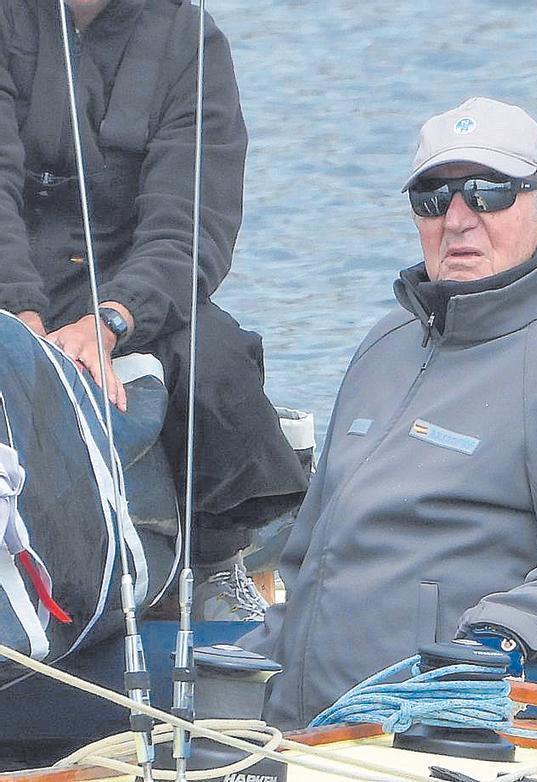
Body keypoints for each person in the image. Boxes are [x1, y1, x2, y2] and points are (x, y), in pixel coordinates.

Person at [240, 97, 537, 729]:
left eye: (487, 193)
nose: (458, 219)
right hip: (301, 731)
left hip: (432, 731)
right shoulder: (385, 343)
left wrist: (500, 638)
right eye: (434, 198)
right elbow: (308, 560)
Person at [0, 0, 310, 618]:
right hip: (13, 280)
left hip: (130, 287)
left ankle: (217, 558)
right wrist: (20, 321)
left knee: (217, 359)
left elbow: (190, 223)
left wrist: (114, 319)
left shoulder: (189, 40)